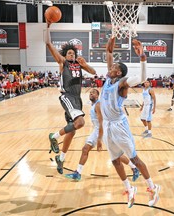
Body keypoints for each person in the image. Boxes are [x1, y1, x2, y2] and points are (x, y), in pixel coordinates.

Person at [100, 37, 160, 208]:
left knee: (135, 158)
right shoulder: (108, 79)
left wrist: (142, 57)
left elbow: (142, 77)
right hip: (107, 125)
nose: (110, 68)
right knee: (115, 160)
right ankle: (129, 189)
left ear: (118, 73)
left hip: (119, 125)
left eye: (113, 68)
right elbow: (110, 56)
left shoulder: (122, 83)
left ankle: (153, 187)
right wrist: (109, 49)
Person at [45, 19, 97, 174]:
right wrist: (48, 26)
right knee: (80, 122)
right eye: (69, 53)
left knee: (72, 131)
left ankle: (61, 158)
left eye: (73, 53)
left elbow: (93, 72)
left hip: (77, 98)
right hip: (67, 96)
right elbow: (48, 43)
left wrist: (85, 64)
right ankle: (53, 136)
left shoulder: (79, 65)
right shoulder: (63, 63)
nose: (71, 54)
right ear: (65, 55)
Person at [64, 89, 140, 181]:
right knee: (85, 149)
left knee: (117, 155)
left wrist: (99, 139)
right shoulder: (94, 105)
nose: (91, 93)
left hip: (103, 131)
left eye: (93, 93)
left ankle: (134, 168)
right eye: (90, 92)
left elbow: (101, 122)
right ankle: (78, 173)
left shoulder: (98, 105)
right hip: (97, 130)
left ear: (97, 96)